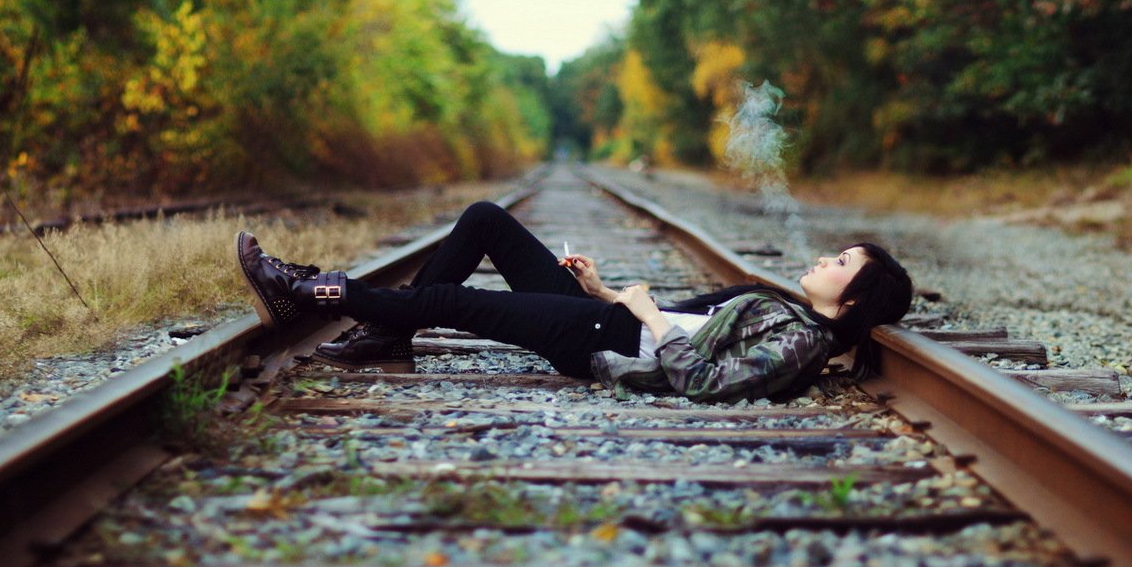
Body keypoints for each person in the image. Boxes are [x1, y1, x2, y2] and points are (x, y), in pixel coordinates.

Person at [235, 200, 914, 403]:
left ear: (854, 299)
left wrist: (638, 315)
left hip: (602, 341)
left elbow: (706, 382)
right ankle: (386, 335)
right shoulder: (788, 315)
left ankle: (303, 290)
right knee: (483, 220)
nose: (827, 260)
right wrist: (605, 288)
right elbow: (682, 319)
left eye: (842, 263)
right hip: (607, 314)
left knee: (453, 301)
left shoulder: (804, 341)